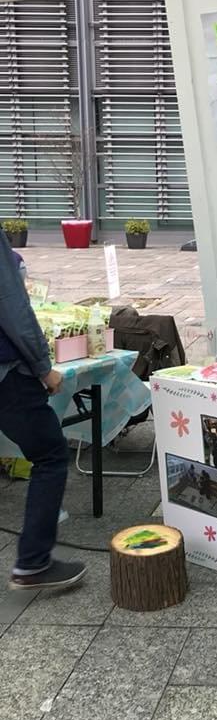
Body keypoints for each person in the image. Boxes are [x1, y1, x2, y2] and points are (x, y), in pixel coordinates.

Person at [0, 230, 85, 590]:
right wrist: (42, 367)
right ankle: (33, 563)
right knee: (50, 454)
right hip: (7, 374)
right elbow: (13, 306)